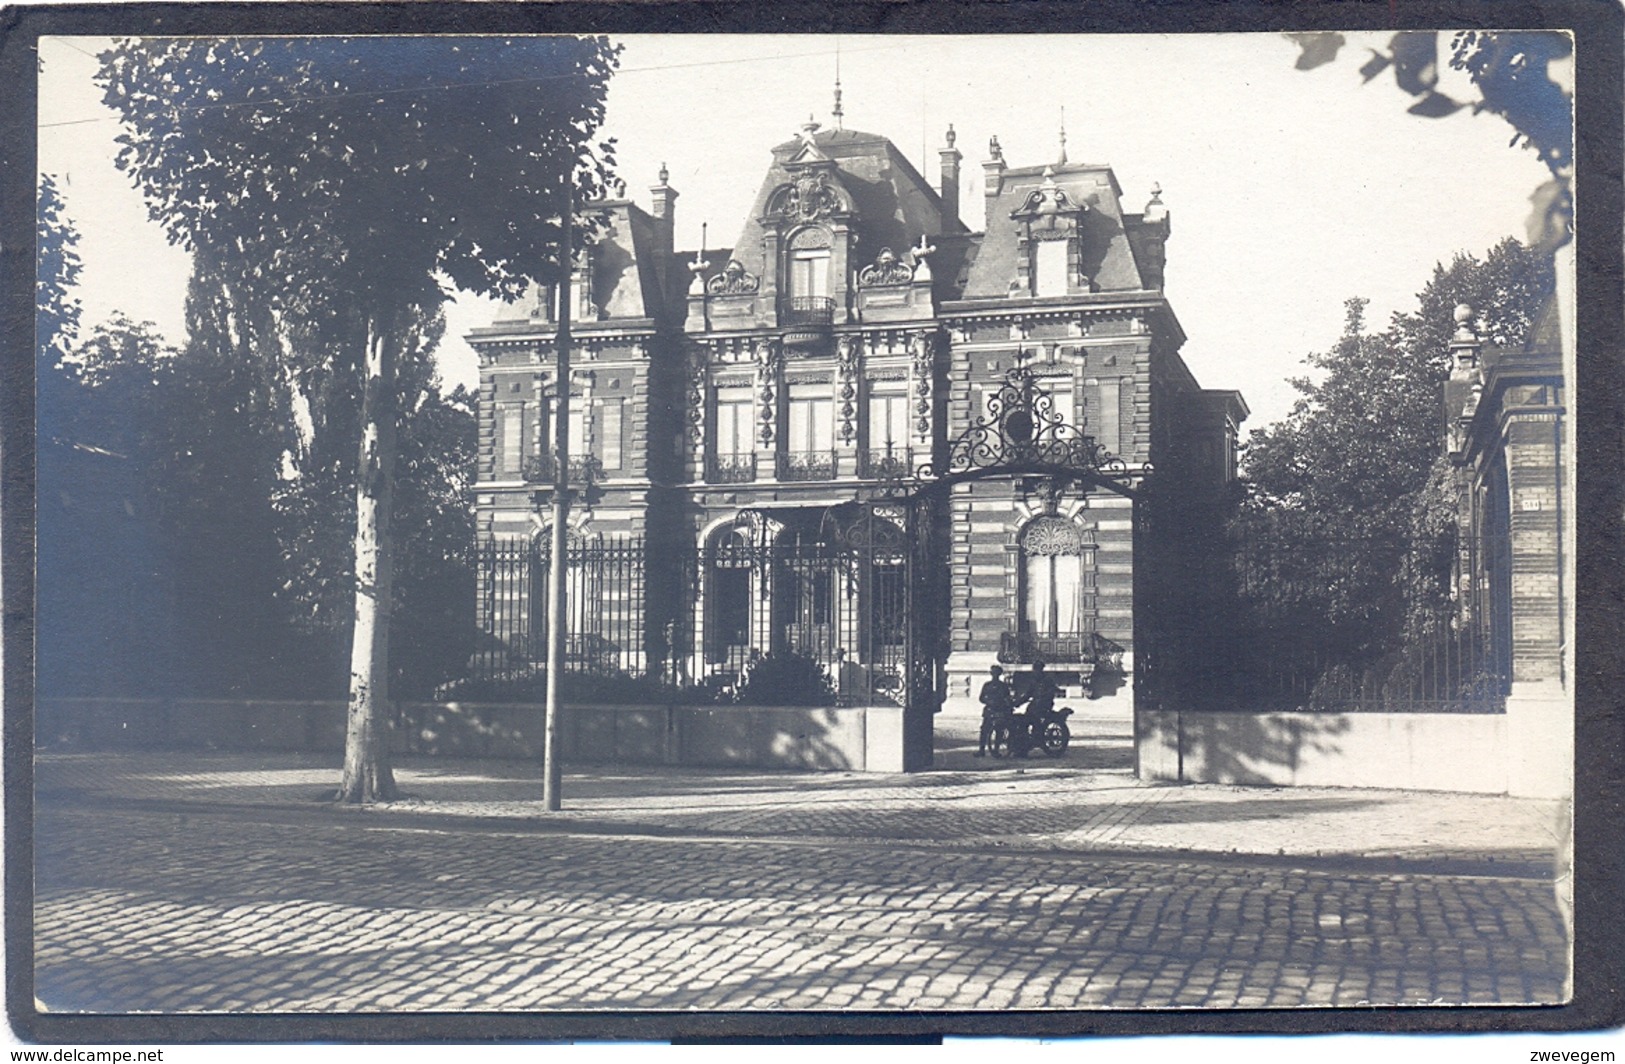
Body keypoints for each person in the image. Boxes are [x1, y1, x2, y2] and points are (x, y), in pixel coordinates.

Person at [1015, 661, 1061, 755]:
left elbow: (1053, 691)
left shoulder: (1048, 680)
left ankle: (1036, 740)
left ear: (1041, 670)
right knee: (1023, 722)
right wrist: (1018, 703)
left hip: (1044, 706)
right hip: (1034, 706)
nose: (1035, 672)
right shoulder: (1033, 682)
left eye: (1037, 670)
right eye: (1034, 670)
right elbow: (1028, 694)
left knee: (1037, 723)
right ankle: (1024, 744)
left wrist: (1044, 697)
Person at [976, 665, 1014, 757]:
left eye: (996, 673)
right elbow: (981, 698)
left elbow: (1007, 698)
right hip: (989, 710)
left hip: (999, 710)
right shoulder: (987, 685)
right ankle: (981, 750)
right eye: (993, 673)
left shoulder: (1003, 686)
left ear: (999, 674)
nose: (994, 675)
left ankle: (996, 750)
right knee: (984, 730)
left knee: (999, 730)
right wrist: (988, 701)